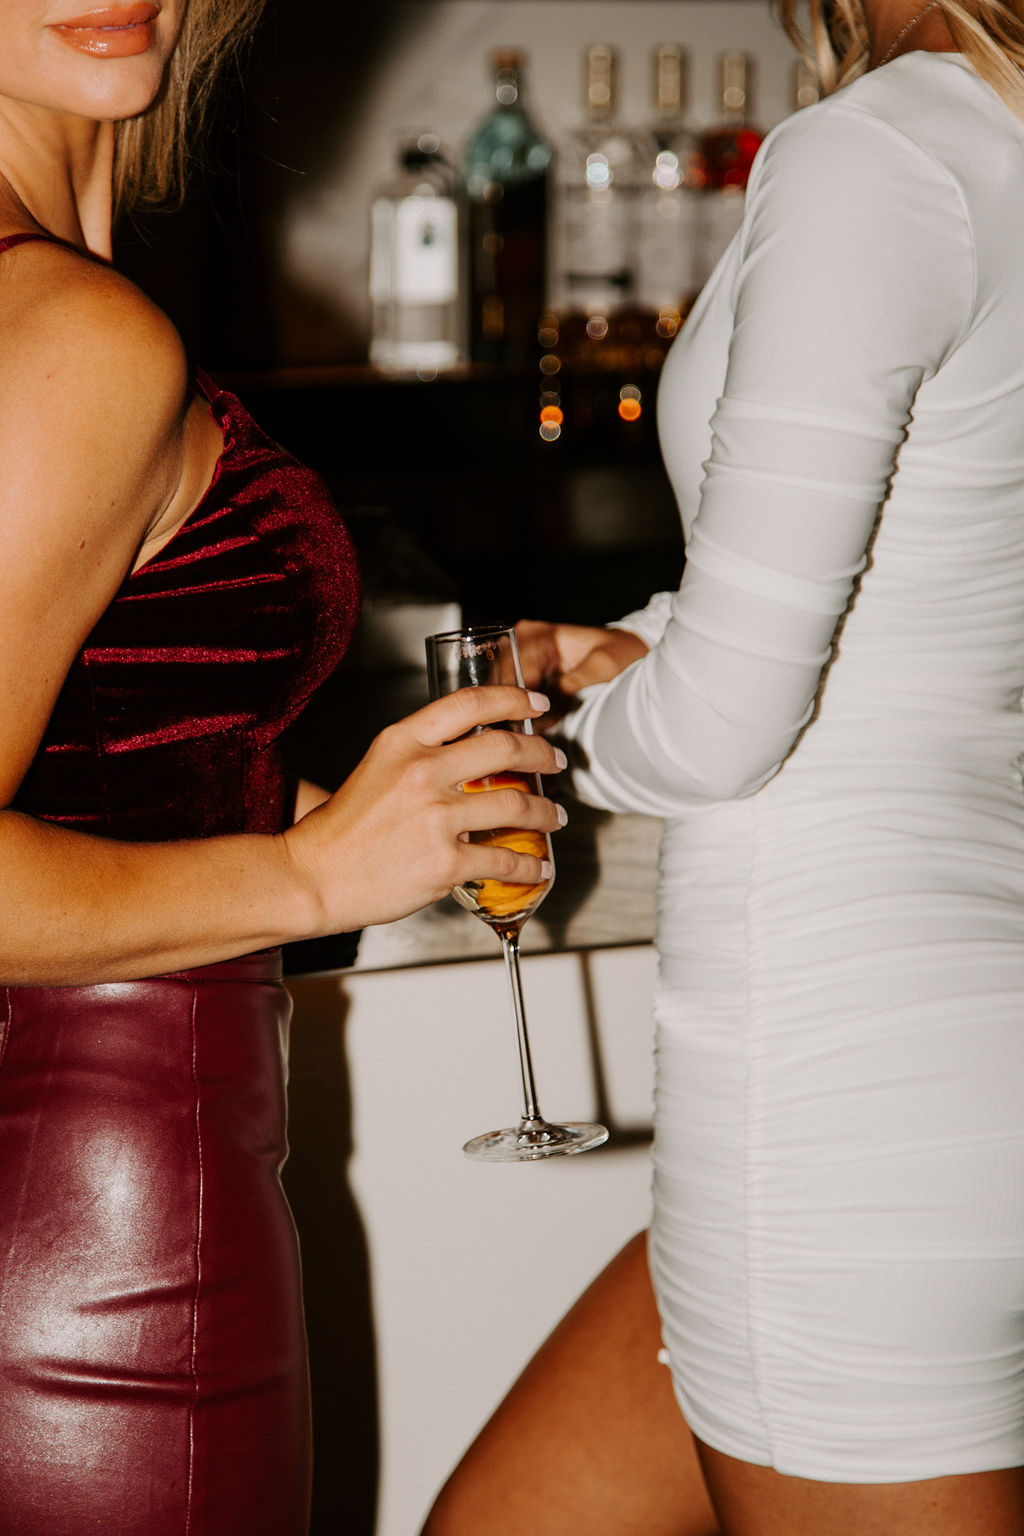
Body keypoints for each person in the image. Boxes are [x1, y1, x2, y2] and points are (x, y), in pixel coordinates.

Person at [422, 0, 1024, 1532]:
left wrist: (547, 744)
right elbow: (928, 597)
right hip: (962, 1049)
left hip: (841, 1075)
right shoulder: (988, 137)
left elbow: (724, 730)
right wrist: (635, 651)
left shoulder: (875, 156)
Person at [0, 5, 566, 1534]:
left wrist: (384, 808)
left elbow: (104, 759)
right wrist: (317, 874)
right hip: (102, 1258)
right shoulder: (72, 332)